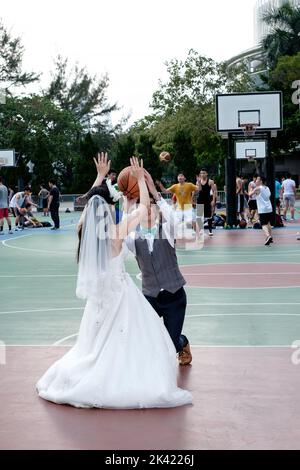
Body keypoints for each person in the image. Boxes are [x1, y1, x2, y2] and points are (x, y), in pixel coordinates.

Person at [36, 154, 192, 409]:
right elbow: (143, 208)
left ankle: (98, 379)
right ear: (108, 208)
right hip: (121, 297)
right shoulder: (117, 232)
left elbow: (90, 205)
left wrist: (99, 178)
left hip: (99, 303)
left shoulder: (83, 231)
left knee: (96, 349)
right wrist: (141, 182)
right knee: (138, 341)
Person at [125, 171, 193, 366]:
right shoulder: (133, 239)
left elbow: (172, 217)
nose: (147, 212)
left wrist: (155, 193)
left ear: (157, 212)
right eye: (143, 210)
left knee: (170, 345)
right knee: (151, 342)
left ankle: (182, 342)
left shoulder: (168, 231)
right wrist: (128, 206)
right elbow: (119, 232)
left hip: (174, 296)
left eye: (150, 209)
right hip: (149, 297)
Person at [248, 175, 273, 245]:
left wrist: (250, 188)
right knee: (268, 223)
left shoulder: (258, 188)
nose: (256, 181)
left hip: (263, 209)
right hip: (269, 208)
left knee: (263, 224)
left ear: (261, 181)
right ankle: (270, 237)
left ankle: (268, 236)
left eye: (257, 180)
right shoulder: (267, 188)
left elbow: (250, 195)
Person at [196, 168, 216, 236]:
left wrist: (213, 200)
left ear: (206, 174)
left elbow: (214, 191)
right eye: (201, 173)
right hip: (200, 200)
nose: (202, 174)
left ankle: (210, 230)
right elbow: (199, 190)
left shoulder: (210, 181)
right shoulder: (198, 182)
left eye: (204, 173)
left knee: (209, 216)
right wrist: (198, 182)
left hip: (207, 200)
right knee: (199, 216)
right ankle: (200, 231)